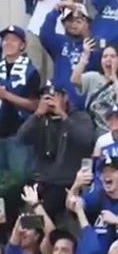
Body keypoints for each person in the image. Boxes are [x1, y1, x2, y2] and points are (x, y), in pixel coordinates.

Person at [16, 83, 95, 222]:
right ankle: (28, 231)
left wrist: (62, 115)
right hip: (41, 179)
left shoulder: (80, 117)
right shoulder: (40, 119)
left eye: (54, 96)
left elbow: (86, 140)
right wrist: (37, 114)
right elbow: (21, 138)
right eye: (45, 97)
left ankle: (41, 229)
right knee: (17, 209)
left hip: (66, 183)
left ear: (65, 97)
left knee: (40, 215)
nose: (49, 101)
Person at [26, 0, 87, 79]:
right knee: (34, 69)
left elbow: (78, 0)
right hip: (36, 28)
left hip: (59, 31)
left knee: (52, 70)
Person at [38, 1, 100, 108]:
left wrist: (86, 35)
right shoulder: (59, 42)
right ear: (64, 23)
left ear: (87, 23)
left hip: (80, 105)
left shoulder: (95, 45)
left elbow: (95, 63)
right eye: (70, 21)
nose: (73, 24)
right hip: (57, 100)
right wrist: (57, 8)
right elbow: (45, 34)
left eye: (78, 21)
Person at [0, 24, 40, 184]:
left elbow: (35, 105)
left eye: (13, 40)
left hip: (19, 134)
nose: (8, 43)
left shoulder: (31, 71)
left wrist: (6, 96)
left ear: (22, 45)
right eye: (5, 40)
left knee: (19, 179)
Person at [70, 42, 118, 133]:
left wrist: (115, 79)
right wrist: (84, 57)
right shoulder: (94, 77)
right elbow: (74, 80)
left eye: (112, 56)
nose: (108, 59)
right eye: (105, 56)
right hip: (97, 127)